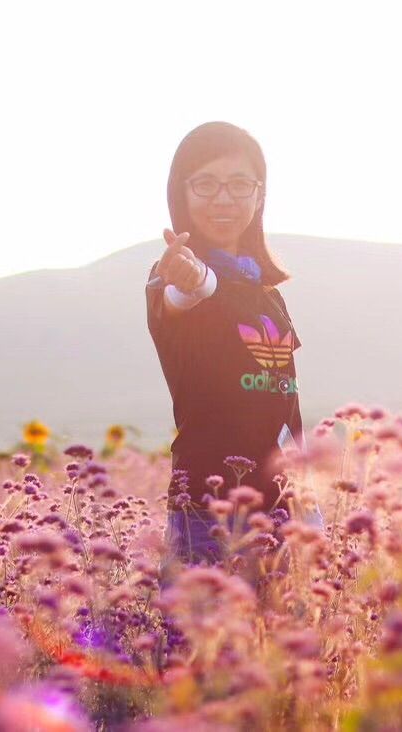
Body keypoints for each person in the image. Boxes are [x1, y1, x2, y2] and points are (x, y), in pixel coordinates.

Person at [144, 122, 322, 585]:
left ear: (259, 196)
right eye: (205, 183)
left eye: (239, 184)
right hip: (206, 512)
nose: (223, 198)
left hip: (281, 509)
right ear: (181, 194)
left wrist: (308, 500)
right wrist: (189, 280)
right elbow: (187, 295)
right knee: (199, 651)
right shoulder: (172, 277)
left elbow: (288, 404)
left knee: (279, 652)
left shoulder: (265, 293)